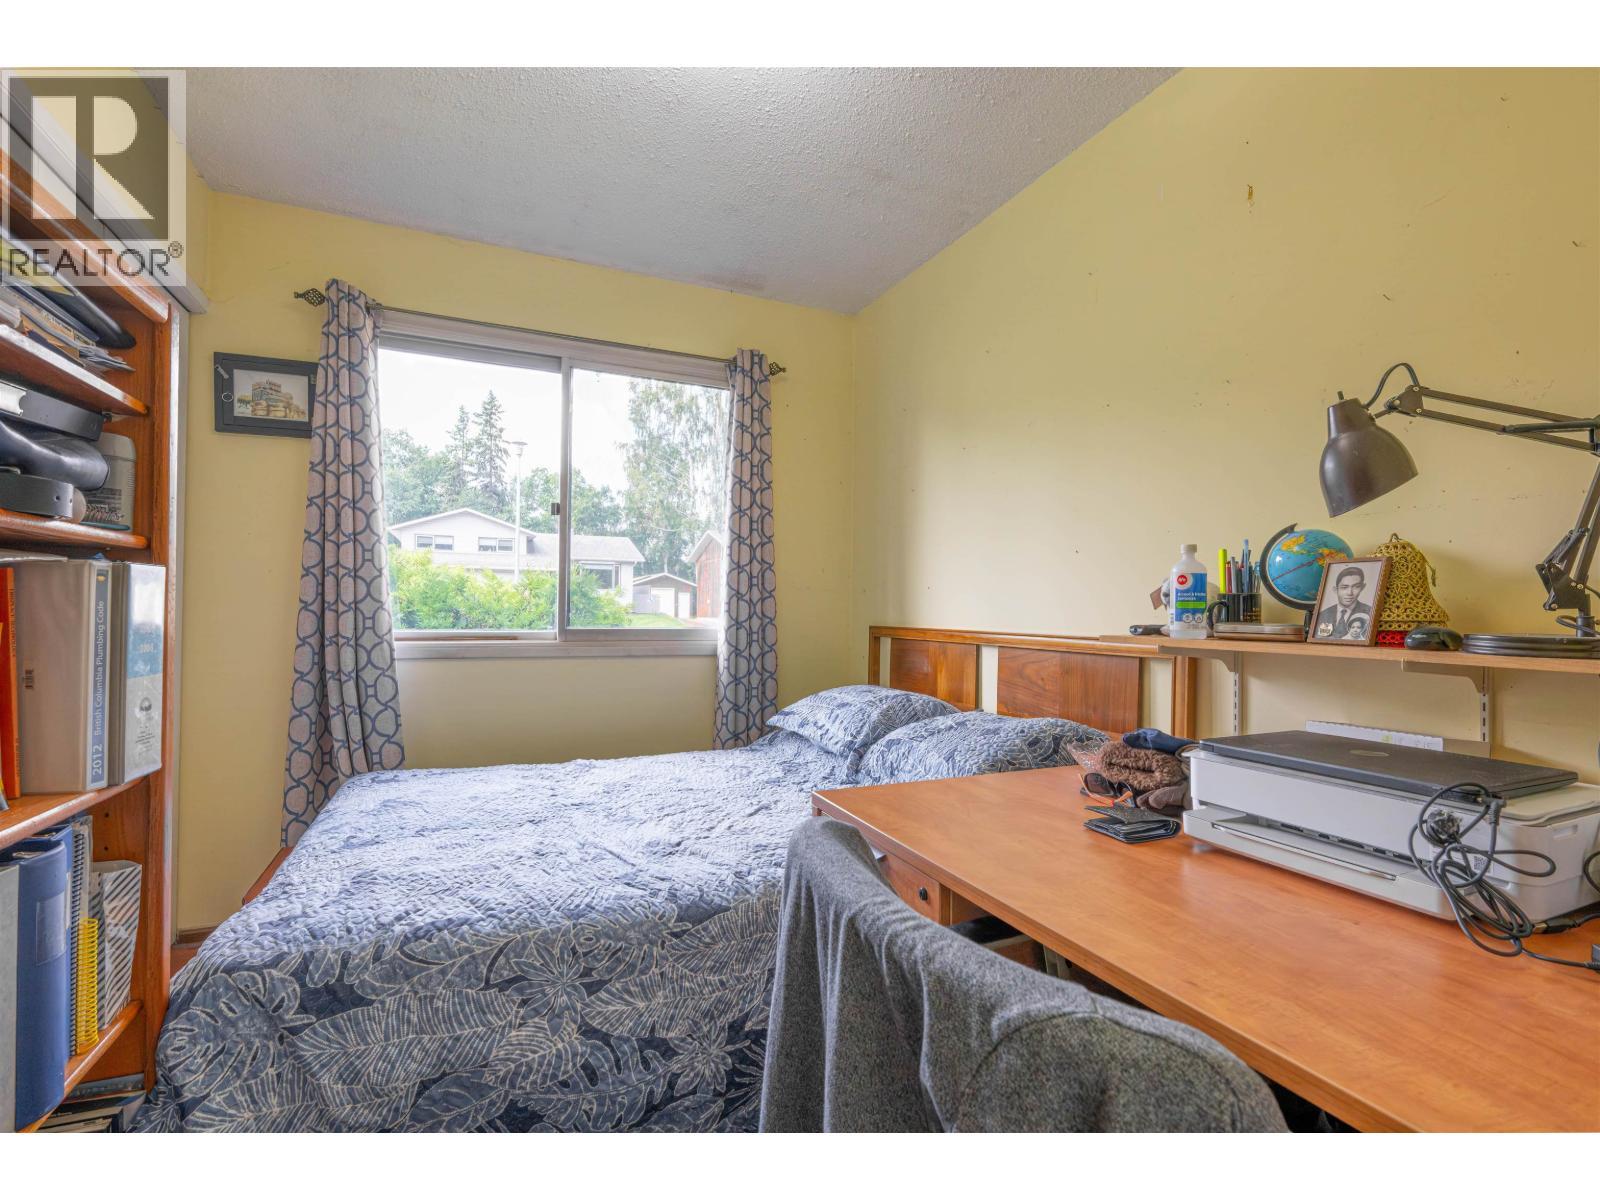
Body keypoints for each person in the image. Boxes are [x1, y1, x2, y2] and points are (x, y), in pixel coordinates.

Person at [1315, 565, 1372, 640]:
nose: (1349, 593)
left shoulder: (1370, 612)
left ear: (1362, 587)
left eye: (1356, 587)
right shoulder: (1322, 614)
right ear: (1335, 590)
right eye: (1344, 587)